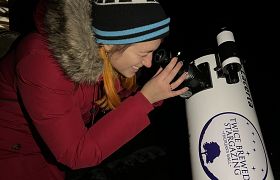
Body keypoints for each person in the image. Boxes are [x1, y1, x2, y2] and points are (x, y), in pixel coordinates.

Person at [0, 0, 189, 179]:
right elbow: (76, 153)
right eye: (143, 53)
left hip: (47, 153)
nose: (149, 63)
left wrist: (160, 90)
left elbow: (117, 95)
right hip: (11, 157)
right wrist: (145, 99)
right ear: (109, 43)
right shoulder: (43, 63)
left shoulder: (103, 52)